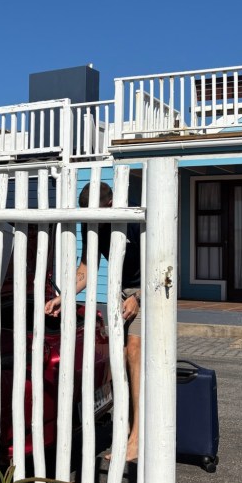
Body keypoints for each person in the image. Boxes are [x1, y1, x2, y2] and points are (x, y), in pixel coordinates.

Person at [44, 182, 142, 463]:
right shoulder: (91, 222)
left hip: (147, 288)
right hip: (120, 292)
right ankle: (127, 428)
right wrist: (63, 297)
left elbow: (160, 265)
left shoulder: (133, 220)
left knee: (134, 350)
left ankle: (136, 439)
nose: (92, 219)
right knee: (119, 359)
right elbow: (86, 269)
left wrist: (137, 297)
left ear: (110, 205)